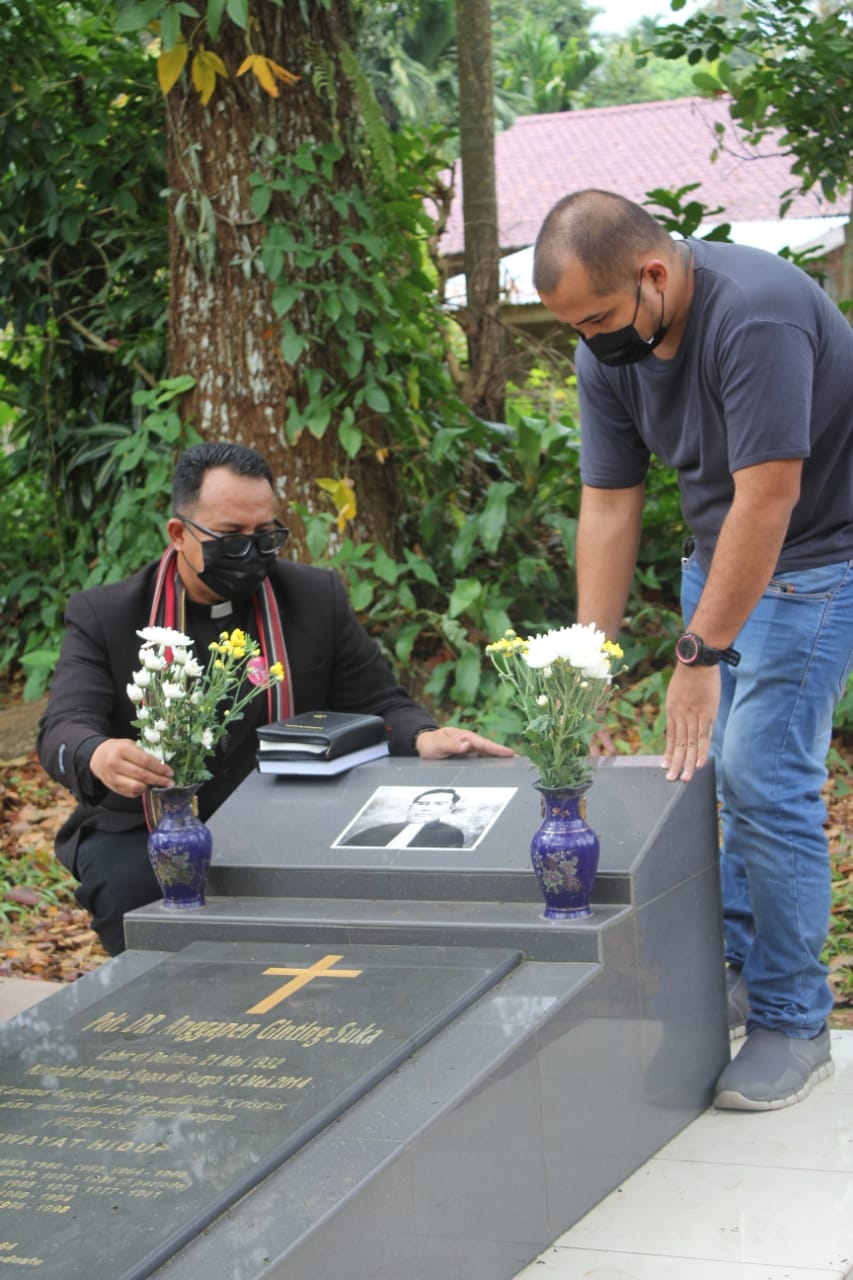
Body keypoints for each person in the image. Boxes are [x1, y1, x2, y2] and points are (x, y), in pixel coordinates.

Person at [533, 189, 853, 1111]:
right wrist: (583, 669)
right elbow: (608, 503)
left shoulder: (752, 315)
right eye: (572, 326)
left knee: (763, 774)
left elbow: (768, 499)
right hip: (718, 566)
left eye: (596, 318)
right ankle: (741, 973)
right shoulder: (609, 348)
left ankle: (795, 1022)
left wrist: (694, 658)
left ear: (655, 274)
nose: (590, 340)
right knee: (709, 777)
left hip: (819, 563)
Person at [37, 442, 512, 956]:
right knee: (131, 895)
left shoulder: (312, 597)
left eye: (265, 536)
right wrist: (97, 753)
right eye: (231, 537)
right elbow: (64, 724)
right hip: (146, 825)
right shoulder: (106, 615)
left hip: (293, 812)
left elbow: (379, 701)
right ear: (179, 534)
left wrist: (424, 736)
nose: (251, 552)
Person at [342, 787, 466, 848]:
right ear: (411, 807)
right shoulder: (381, 829)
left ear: (450, 809)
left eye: (438, 804)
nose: (425, 808)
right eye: (422, 804)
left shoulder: (451, 834)